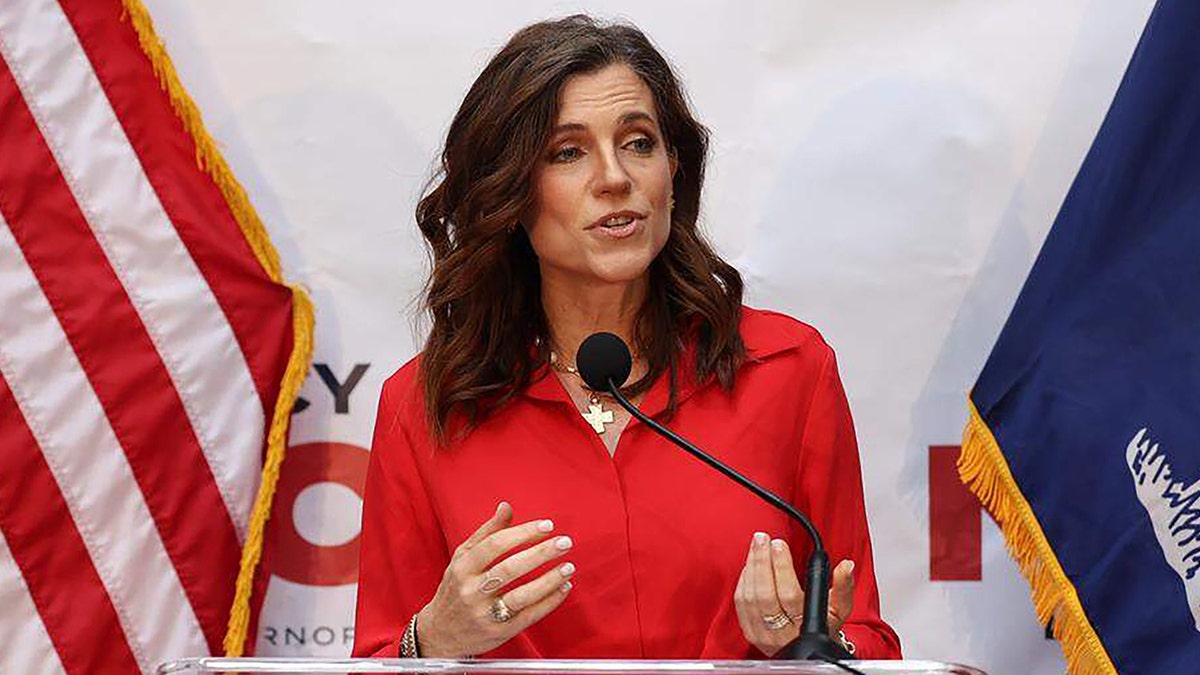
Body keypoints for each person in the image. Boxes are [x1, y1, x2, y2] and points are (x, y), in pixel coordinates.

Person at [352, 14, 902, 660]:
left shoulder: (787, 370)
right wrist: (434, 640)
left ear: (674, 167)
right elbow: (383, 654)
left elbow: (867, 637)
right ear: (508, 191)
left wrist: (810, 643)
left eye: (639, 142)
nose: (615, 177)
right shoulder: (423, 403)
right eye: (568, 152)